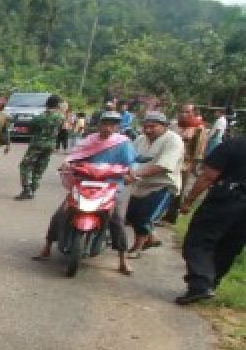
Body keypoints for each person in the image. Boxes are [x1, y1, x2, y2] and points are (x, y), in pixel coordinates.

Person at [33, 110, 135, 275]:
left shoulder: (123, 143)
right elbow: (75, 155)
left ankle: (122, 259)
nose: (108, 127)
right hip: (85, 181)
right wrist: (67, 163)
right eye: (105, 123)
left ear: (117, 126)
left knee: (116, 220)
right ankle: (47, 246)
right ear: (99, 124)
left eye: (112, 124)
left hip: (110, 185)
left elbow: (131, 163)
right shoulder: (89, 140)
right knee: (60, 213)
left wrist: (130, 173)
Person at [175, 136, 246, 304]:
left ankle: (200, 284)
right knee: (230, 245)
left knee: (198, 240)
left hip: (226, 199)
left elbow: (209, 176)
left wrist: (189, 200)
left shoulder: (233, 144)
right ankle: (210, 284)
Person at [125, 111, 184, 256]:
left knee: (144, 217)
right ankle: (151, 238)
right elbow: (129, 157)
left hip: (162, 185)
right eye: (146, 126)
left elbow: (162, 165)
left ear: (164, 127)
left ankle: (137, 247)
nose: (148, 130)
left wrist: (135, 174)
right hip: (140, 184)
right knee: (130, 214)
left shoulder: (174, 141)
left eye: (153, 126)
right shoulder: (140, 139)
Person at [16, 94, 65, 200]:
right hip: (50, 145)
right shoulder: (60, 117)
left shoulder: (39, 117)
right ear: (57, 105)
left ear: (47, 104)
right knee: (40, 167)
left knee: (25, 165)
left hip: (37, 144)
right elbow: (62, 130)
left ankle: (26, 190)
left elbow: (30, 130)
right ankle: (33, 190)